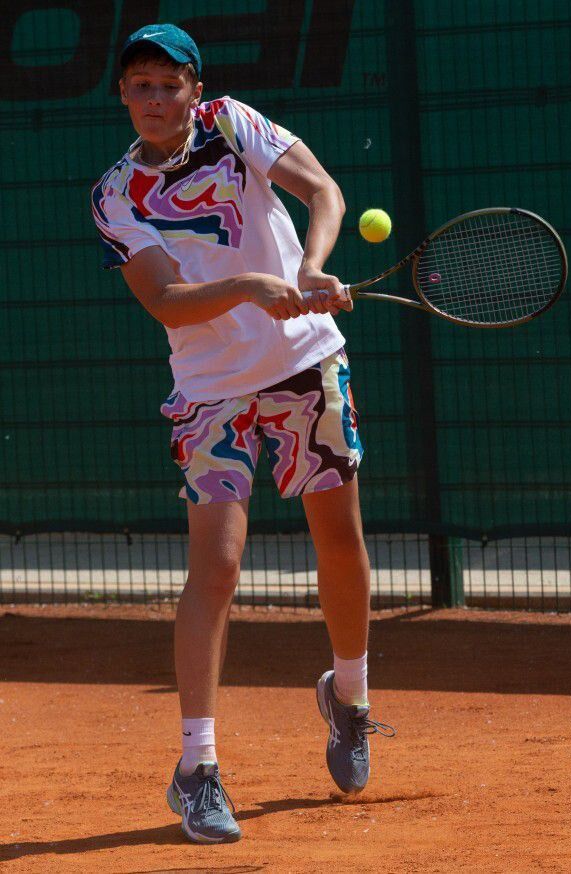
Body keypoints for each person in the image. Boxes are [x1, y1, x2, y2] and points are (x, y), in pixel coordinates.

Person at [91, 23, 394, 845]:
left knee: (340, 541)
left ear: (195, 90)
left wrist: (310, 268)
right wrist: (254, 286)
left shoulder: (232, 124)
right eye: (141, 86)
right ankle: (197, 769)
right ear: (124, 96)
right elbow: (166, 302)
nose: (156, 99)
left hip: (306, 364)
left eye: (170, 85)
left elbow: (322, 191)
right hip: (210, 391)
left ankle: (351, 698)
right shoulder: (116, 195)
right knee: (217, 567)